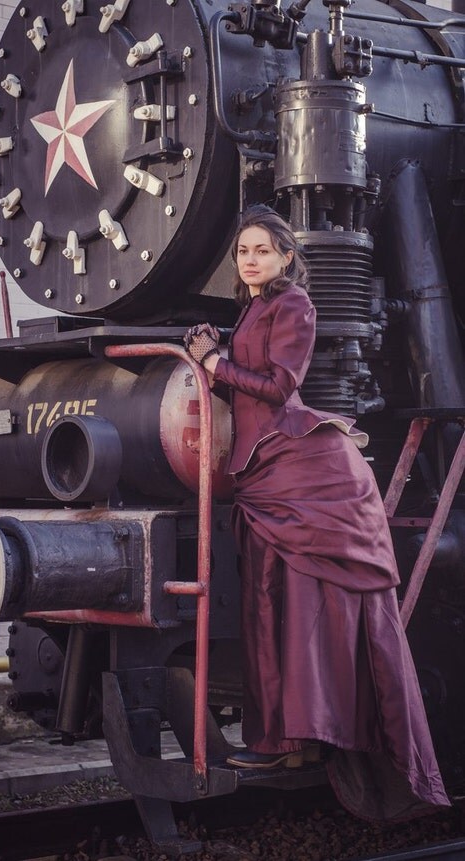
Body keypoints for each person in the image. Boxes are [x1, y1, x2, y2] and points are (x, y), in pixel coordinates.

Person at [184, 205, 450, 821]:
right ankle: (287, 742)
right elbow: (240, 385)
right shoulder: (250, 308)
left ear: (284, 256)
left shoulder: (294, 305)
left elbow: (279, 386)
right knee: (273, 610)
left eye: (261, 250)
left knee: (301, 609)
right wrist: (212, 353)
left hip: (302, 469)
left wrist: (217, 364)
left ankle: (315, 738)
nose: (249, 259)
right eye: (242, 250)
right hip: (261, 474)